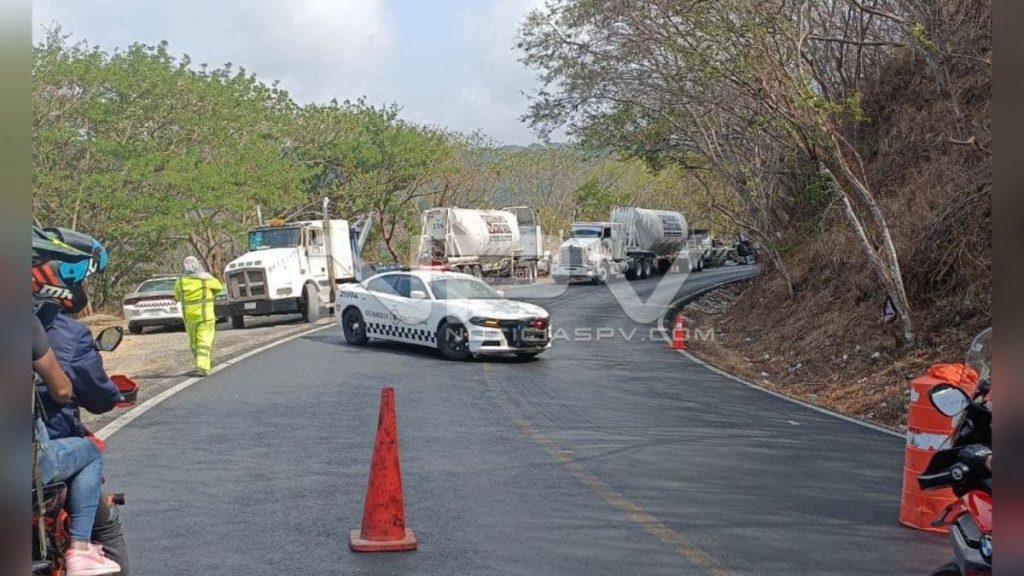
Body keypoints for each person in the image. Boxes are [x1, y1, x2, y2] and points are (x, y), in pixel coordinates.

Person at [32, 226, 129, 575]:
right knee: (92, 455)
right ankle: (79, 550)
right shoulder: (53, 331)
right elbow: (68, 391)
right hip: (41, 457)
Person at [173, 256, 224, 376]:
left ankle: (198, 363)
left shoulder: (180, 281)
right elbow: (219, 287)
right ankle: (203, 366)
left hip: (189, 318)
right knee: (204, 341)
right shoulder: (206, 278)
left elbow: (177, 297)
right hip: (205, 316)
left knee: (194, 342)